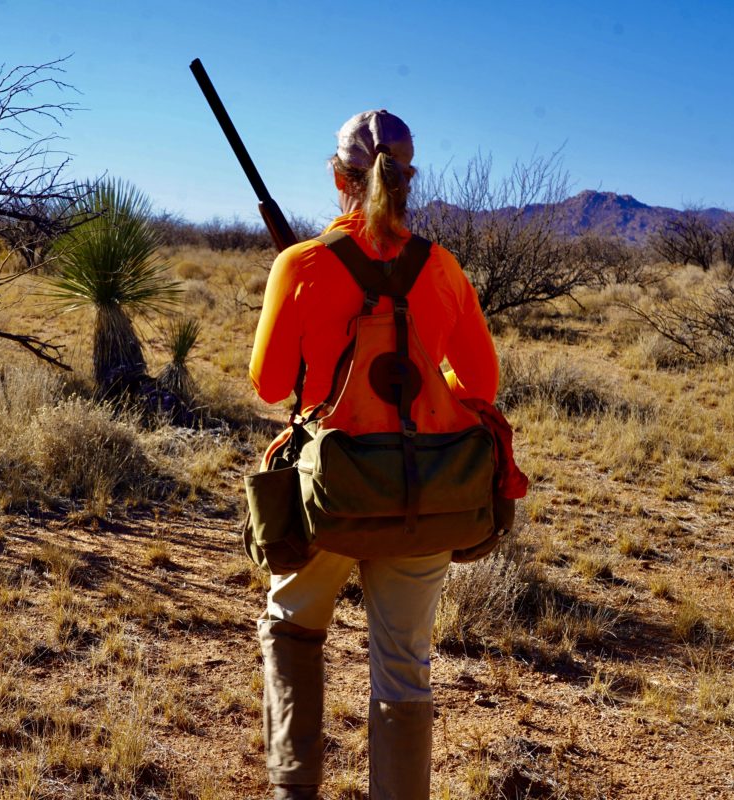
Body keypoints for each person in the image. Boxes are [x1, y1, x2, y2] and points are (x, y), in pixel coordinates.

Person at [248, 110, 500, 800]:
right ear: (408, 179)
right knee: (403, 668)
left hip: (327, 497)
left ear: (339, 178)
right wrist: (425, 383)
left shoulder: (300, 264)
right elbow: (480, 384)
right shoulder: (442, 267)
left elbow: (272, 386)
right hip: (427, 496)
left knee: (292, 627)